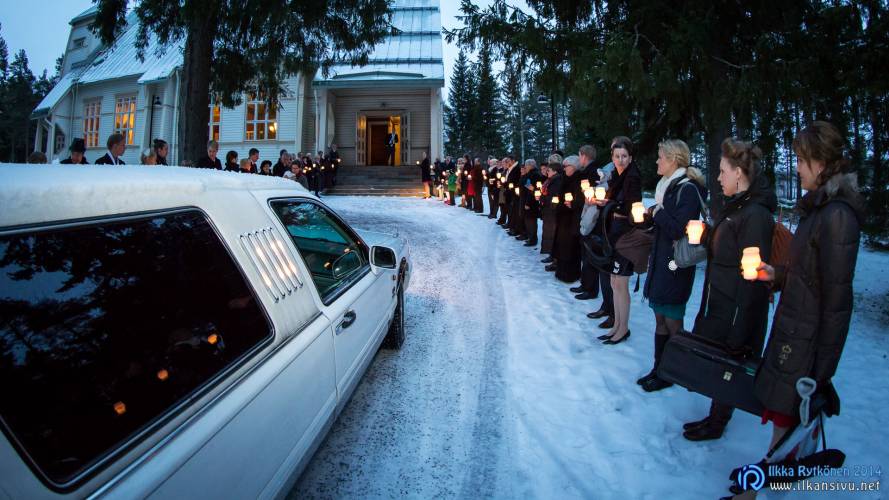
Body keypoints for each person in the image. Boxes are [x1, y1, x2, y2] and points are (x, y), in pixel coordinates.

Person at [742, 122, 863, 494]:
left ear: (820, 162)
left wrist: (821, 374)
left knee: (788, 420)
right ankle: (767, 484)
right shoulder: (819, 209)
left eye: (800, 160)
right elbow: (808, 275)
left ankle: (762, 488)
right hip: (793, 331)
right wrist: (776, 274)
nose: (796, 168)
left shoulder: (837, 216)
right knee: (783, 418)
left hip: (805, 343)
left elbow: (837, 302)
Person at [679, 138, 776, 441]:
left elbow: (753, 275)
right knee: (721, 363)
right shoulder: (737, 207)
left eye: (722, 171)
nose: (718, 178)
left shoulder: (755, 215)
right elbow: (729, 249)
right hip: (722, 301)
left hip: (736, 309)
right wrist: (707, 235)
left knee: (730, 366)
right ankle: (714, 417)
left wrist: (741, 330)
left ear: (739, 173)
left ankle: (717, 423)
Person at [637, 139, 706, 390]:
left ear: (674, 160)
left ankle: (675, 371)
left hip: (675, 265)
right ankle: (660, 368)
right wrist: (650, 217)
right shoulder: (667, 187)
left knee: (673, 321)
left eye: (661, 157)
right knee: (660, 319)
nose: (657, 161)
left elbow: (678, 229)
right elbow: (665, 225)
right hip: (661, 261)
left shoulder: (687, 190)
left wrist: (658, 212)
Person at [595, 137, 641, 345]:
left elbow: (632, 206)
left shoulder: (632, 177)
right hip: (614, 232)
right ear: (612, 158)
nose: (620, 160)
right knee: (614, 281)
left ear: (630, 157)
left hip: (625, 234)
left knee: (621, 283)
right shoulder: (618, 175)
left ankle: (623, 328)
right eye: (617, 156)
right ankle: (617, 324)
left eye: (624, 156)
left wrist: (610, 203)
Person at [572, 144, 602, 301]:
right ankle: (585, 284)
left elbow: (594, 194)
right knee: (585, 252)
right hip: (584, 213)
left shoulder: (593, 172)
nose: (579, 159)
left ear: (584, 156)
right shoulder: (587, 171)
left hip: (591, 216)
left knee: (589, 253)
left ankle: (590, 288)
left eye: (579, 155)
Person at [553, 156, 585, 282]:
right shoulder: (566, 179)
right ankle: (561, 271)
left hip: (572, 219)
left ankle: (570, 274)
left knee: (570, 247)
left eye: (566, 166)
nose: (564, 168)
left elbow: (581, 199)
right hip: (563, 217)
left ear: (574, 167)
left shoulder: (579, 180)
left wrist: (573, 204)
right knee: (563, 246)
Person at [542, 155, 564, 269]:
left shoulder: (557, 180)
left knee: (553, 234)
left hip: (553, 210)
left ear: (555, 171)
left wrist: (543, 198)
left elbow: (553, 196)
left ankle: (554, 256)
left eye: (549, 170)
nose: (547, 172)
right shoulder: (551, 180)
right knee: (549, 233)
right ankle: (551, 254)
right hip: (549, 210)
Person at [521, 159, 544, 246]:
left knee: (531, 221)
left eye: (526, 165)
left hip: (531, 202)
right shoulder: (531, 174)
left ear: (530, 166)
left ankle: (533, 239)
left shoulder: (534, 175)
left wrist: (528, 203)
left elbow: (531, 190)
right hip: (528, 200)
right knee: (528, 220)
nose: (525, 167)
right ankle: (530, 237)